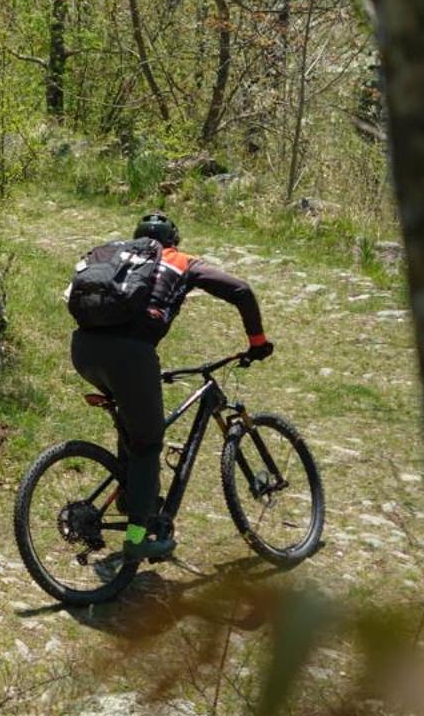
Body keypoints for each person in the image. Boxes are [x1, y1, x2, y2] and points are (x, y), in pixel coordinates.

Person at [69, 212, 272, 562]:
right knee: (148, 444)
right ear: (173, 239)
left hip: (84, 350)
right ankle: (137, 537)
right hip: (130, 355)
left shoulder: (117, 259)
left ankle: (133, 497)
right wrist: (257, 341)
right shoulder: (180, 260)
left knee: (134, 429)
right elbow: (241, 290)